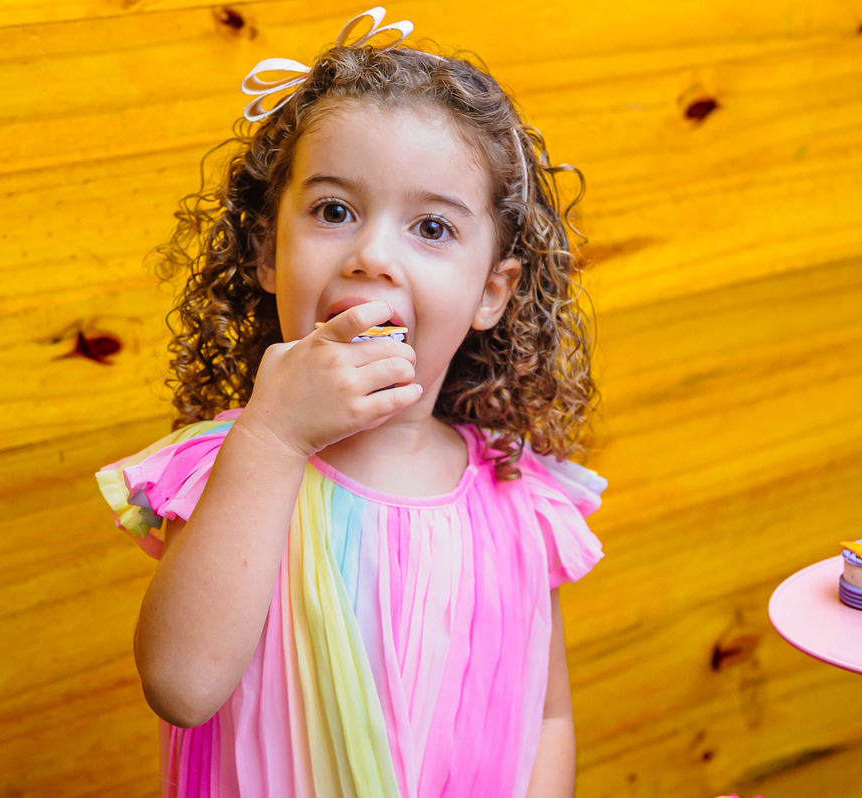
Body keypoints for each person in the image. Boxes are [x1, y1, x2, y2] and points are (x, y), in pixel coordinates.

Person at [96, 8, 605, 796]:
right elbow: (182, 686)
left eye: (431, 227)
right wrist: (271, 438)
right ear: (267, 251)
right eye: (334, 212)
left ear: (491, 293)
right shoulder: (234, 464)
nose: (372, 255)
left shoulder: (517, 497)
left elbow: (546, 718)